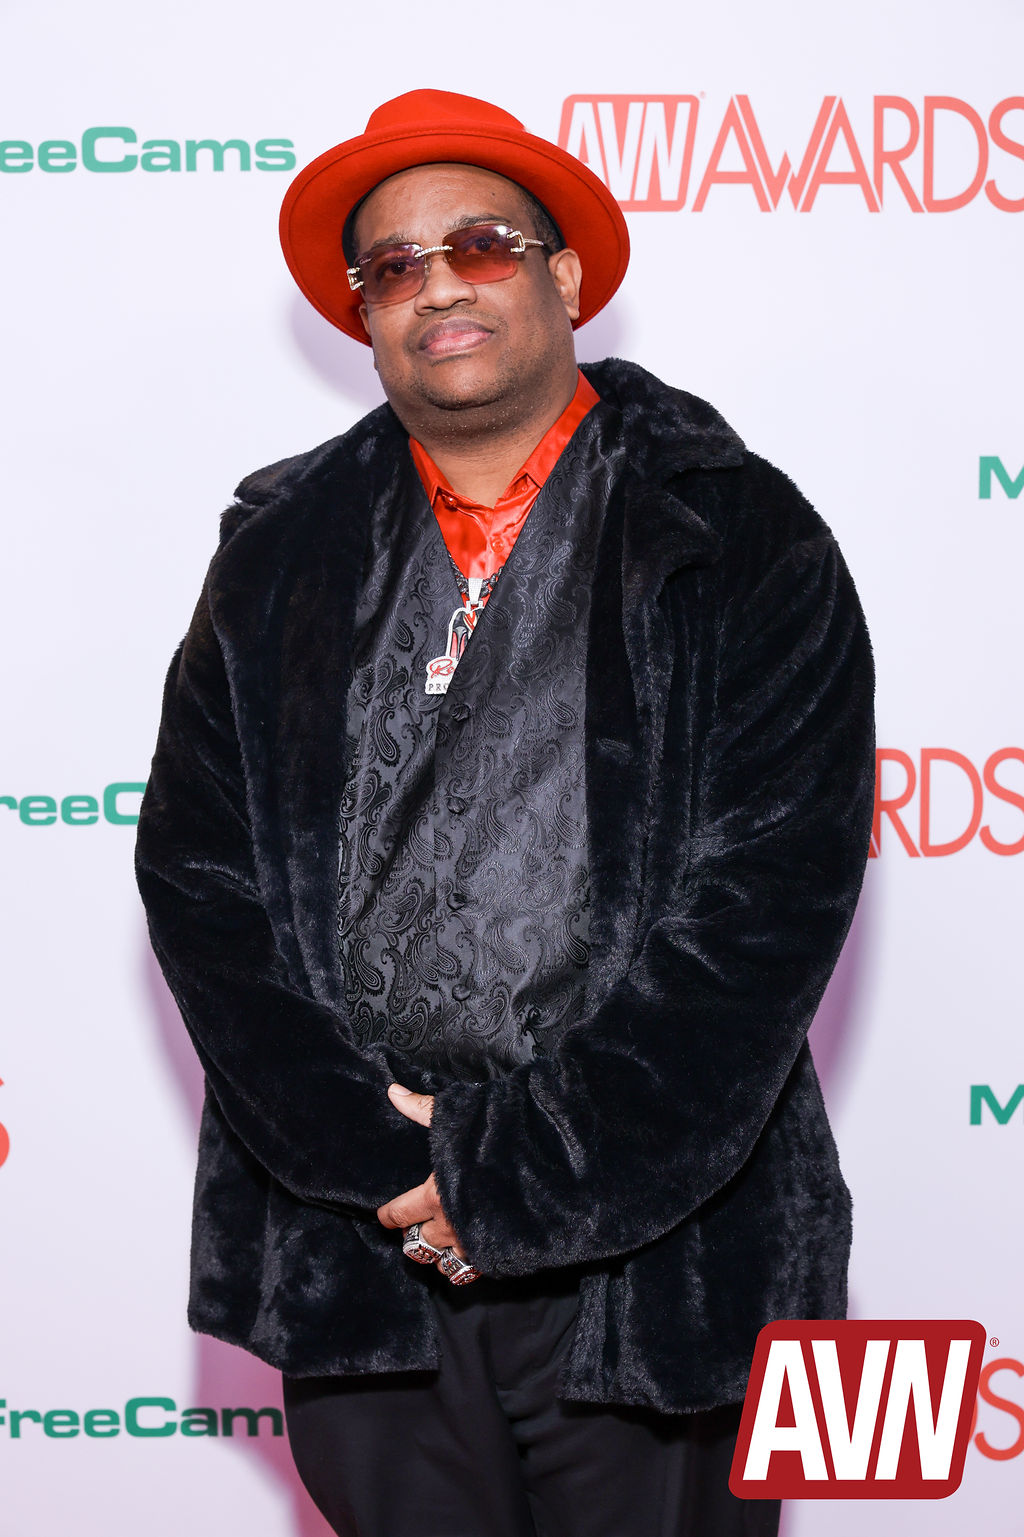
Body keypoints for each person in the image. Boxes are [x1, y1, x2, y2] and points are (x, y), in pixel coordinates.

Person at [135, 88, 875, 1537]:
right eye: (393, 266)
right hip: (363, 1250)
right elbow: (203, 882)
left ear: (566, 276)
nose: (438, 286)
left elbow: (765, 907)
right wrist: (383, 1161)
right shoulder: (276, 558)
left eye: (478, 244)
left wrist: (519, 1176)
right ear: (363, 314)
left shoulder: (738, 533)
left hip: (654, 1255)